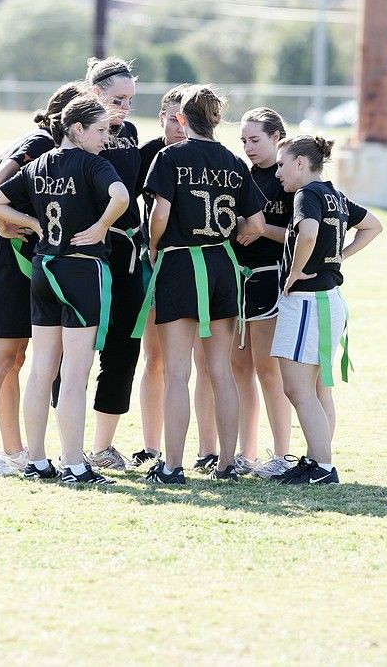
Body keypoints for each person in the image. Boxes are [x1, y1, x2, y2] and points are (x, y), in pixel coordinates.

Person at [0, 94, 129, 485]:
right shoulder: (93, 163)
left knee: (41, 370)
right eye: (99, 131)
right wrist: (99, 228)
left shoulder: (41, 163)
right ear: (77, 129)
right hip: (81, 272)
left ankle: (37, 461)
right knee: (75, 373)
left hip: (44, 270)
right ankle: (76, 465)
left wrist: (31, 222)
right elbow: (121, 196)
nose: (106, 139)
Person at [132, 85, 266, 483]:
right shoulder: (233, 161)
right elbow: (256, 224)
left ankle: (171, 465)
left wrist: (154, 249)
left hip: (180, 263)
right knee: (220, 371)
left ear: (182, 119)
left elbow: (159, 215)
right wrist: (232, 236)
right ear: (217, 119)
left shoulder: (170, 155)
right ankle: (226, 463)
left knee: (177, 373)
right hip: (222, 265)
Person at [0, 81, 85, 475]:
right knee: (2, 358)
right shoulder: (40, 142)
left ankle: (14, 450)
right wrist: (7, 221)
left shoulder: (45, 144)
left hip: (22, 258)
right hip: (4, 259)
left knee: (16, 358)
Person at [271, 134, 382, 484]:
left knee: (297, 389)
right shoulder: (335, 193)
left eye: (281, 164)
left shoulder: (308, 194)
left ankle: (321, 466)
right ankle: (316, 461)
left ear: (301, 163)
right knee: (315, 391)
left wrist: (293, 273)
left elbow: (307, 233)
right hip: (328, 300)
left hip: (308, 300)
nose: (278, 173)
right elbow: (372, 225)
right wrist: (340, 257)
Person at [51, 56, 144, 471]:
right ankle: (65, 445)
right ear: (94, 93)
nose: (124, 107)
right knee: (72, 353)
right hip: (79, 255)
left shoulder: (133, 134)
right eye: (117, 98)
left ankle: (103, 446)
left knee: (124, 350)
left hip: (124, 254)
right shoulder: (68, 133)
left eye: (129, 99)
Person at [129, 85, 219, 471]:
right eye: (170, 117)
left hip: (199, 261)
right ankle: (152, 446)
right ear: (163, 118)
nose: (178, 126)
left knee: (205, 360)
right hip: (158, 259)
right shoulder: (150, 154)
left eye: (182, 117)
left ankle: (208, 449)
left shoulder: (210, 154)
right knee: (157, 358)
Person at [232, 107, 293, 479]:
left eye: (255, 140)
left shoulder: (289, 180)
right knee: (239, 369)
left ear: (276, 138)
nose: (248, 148)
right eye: (243, 141)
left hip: (271, 279)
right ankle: (246, 452)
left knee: (268, 370)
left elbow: (301, 236)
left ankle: (282, 455)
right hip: (238, 280)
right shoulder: (243, 175)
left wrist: (261, 228)